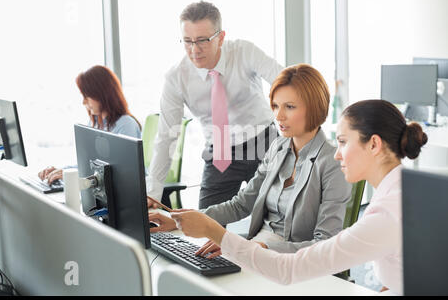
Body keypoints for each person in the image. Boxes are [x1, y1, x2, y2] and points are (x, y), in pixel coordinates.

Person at [171, 99, 428, 295]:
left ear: (373, 144)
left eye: (343, 142)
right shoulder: (405, 192)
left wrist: (213, 231)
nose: (337, 154)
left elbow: (288, 270)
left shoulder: (385, 214)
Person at [150, 64, 352, 256]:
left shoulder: (333, 162)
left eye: (289, 107)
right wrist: (179, 220)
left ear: (314, 107)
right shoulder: (278, 148)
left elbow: (325, 244)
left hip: (292, 262)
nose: (278, 116)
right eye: (275, 105)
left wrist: (256, 248)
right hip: (256, 250)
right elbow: (241, 204)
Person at [147, 1, 284, 209]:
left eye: (202, 40)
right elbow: (166, 137)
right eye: (187, 41)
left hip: (263, 142)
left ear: (220, 38)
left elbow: (285, 82)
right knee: (206, 224)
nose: (194, 50)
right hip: (219, 150)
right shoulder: (176, 77)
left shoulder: (244, 52)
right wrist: (153, 194)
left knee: (277, 216)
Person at [38, 65, 141, 184]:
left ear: (102, 93)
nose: (83, 102)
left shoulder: (126, 124)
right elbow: (89, 166)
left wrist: (71, 175)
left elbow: (122, 174)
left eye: (87, 96)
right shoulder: (95, 124)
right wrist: (63, 171)